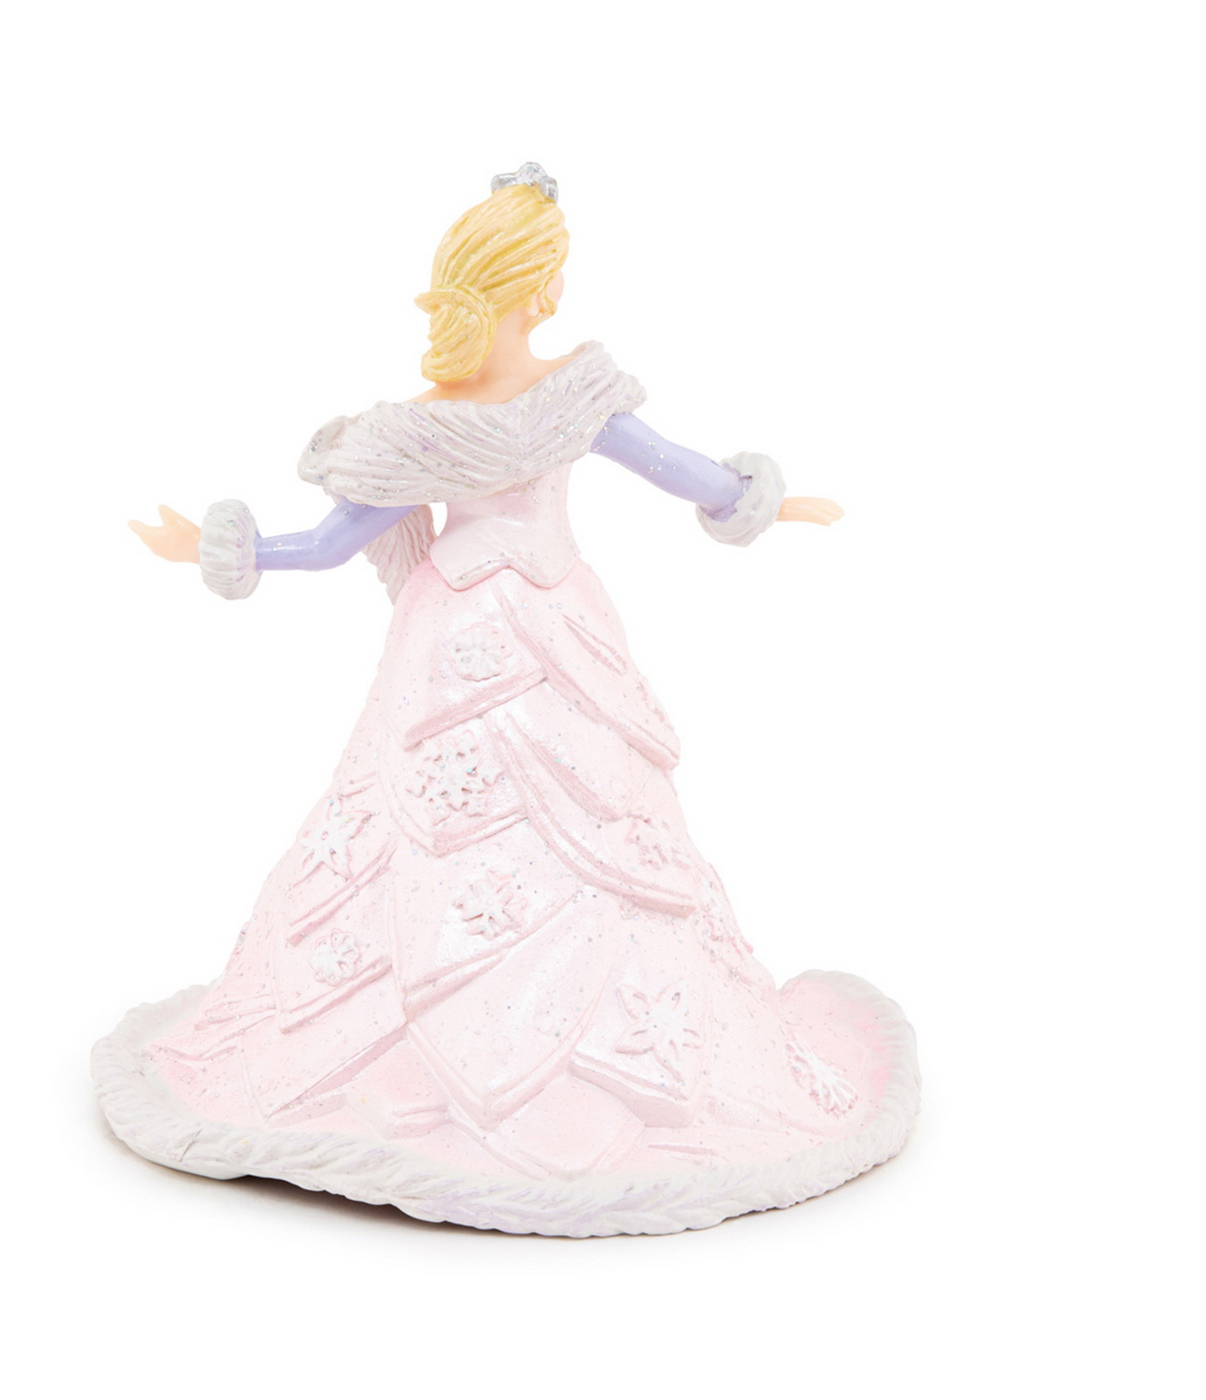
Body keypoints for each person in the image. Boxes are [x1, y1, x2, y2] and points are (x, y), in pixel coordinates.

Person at [97, 164, 918, 1236]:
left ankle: (506, 1034)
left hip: (457, 633)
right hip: (537, 624)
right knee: (558, 818)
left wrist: (231, 549)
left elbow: (328, 543)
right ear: (542, 287)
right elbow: (687, 474)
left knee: (499, 822)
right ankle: (486, 1049)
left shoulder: (436, 420)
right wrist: (762, 501)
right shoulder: (560, 398)